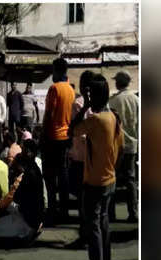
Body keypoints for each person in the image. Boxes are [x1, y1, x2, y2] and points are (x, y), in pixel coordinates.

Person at [69, 74, 124, 260]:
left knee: (93, 229)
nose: (88, 97)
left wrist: (84, 108)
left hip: (94, 181)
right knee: (103, 224)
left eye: (90, 94)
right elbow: (120, 149)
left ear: (96, 96)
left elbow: (72, 130)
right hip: (110, 179)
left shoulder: (95, 120)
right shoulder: (114, 117)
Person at [41, 58, 75, 222]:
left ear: (57, 70)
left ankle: (52, 210)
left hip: (53, 137)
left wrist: (42, 136)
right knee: (63, 175)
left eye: (53, 70)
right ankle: (64, 210)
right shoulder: (70, 89)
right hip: (66, 138)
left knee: (50, 175)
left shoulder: (54, 88)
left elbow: (49, 114)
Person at [67, 70, 94, 249]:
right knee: (92, 200)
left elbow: (73, 130)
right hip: (94, 158)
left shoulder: (78, 104)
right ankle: (91, 234)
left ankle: (85, 235)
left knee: (82, 199)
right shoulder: (102, 105)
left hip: (79, 157)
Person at [109, 71, 138, 222]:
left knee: (112, 179)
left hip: (116, 146)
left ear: (118, 82)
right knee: (130, 180)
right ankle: (133, 213)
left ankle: (111, 214)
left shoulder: (113, 101)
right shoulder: (136, 100)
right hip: (132, 146)